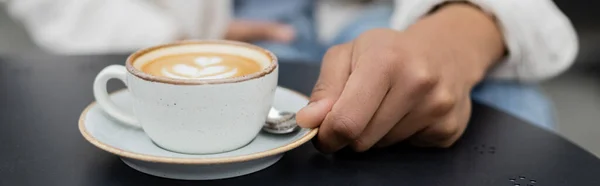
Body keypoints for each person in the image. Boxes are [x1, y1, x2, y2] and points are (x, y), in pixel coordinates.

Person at [7, 0, 577, 153]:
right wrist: (195, 33)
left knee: (508, 109)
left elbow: (540, 22)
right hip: (218, 31)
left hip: (388, 19)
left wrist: (460, 31)